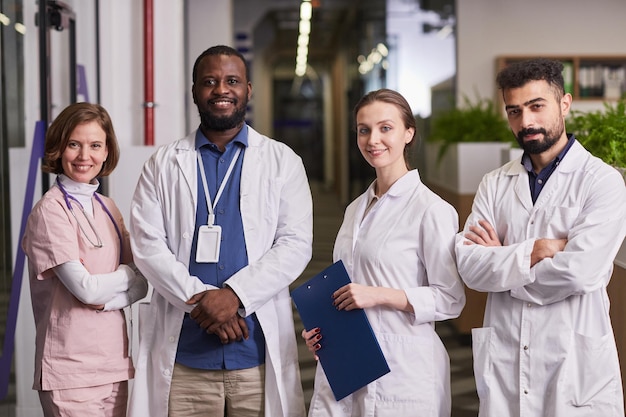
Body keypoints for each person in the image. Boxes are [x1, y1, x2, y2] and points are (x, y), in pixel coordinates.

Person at [127, 45, 313, 417]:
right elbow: (147, 245)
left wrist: (236, 297)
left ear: (248, 89)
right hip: (185, 358)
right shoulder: (163, 164)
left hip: (255, 354)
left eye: (231, 81)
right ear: (195, 90)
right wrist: (205, 303)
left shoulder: (282, 161)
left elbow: (295, 244)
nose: (221, 90)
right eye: (209, 81)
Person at [455, 58, 626, 416]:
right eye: (514, 110)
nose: (526, 121)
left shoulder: (602, 182)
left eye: (536, 106)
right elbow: (470, 267)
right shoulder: (493, 184)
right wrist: (540, 250)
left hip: (573, 365)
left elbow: (581, 272)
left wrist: (504, 263)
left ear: (564, 104)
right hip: (506, 357)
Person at [302, 88, 466, 416]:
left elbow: (450, 299)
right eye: (364, 130)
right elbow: (345, 287)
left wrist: (379, 296)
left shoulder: (432, 210)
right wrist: (322, 331)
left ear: (409, 133)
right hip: (348, 362)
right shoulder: (353, 210)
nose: (373, 139)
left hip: (404, 370)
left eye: (385, 128)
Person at [21, 102, 148, 417]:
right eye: (74, 144)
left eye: (95, 145)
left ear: (106, 152)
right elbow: (86, 290)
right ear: (59, 149)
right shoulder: (50, 211)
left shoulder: (108, 207)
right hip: (70, 373)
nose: (83, 156)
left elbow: (143, 283)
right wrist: (125, 275)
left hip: (114, 365)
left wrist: (107, 300)